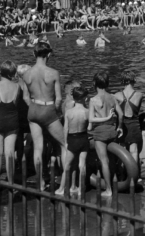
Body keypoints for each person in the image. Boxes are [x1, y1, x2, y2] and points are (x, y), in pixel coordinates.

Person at [22, 42, 65, 187]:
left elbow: (25, 97)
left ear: (34, 54)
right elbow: (58, 99)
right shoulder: (53, 73)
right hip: (48, 110)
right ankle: (66, 182)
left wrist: (34, 107)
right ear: (49, 54)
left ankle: (40, 183)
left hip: (33, 110)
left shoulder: (26, 73)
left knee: (38, 148)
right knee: (65, 144)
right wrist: (56, 112)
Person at [88, 72, 124, 197]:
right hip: (112, 130)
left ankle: (108, 189)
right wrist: (119, 127)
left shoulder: (93, 100)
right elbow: (121, 114)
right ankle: (114, 184)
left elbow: (91, 119)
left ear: (94, 83)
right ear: (107, 83)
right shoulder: (113, 97)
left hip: (100, 132)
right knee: (112, 160)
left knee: (104, 161)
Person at [57, 86, 90, 196]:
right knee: (82, 165)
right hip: (83, 139)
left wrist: (66, 142)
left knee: (67, 166)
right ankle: (81, 189)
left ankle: (61, 188)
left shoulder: (69, 112)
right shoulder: (87, 111)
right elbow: (90, 127)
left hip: (72, 139)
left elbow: (65, 128)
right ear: (84, 98)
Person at [115, 71, 143, 182]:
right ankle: (135, 177)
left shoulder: (116, 95)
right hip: (134, 124)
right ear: (133, 81)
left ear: (123, 81)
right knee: (134, 151)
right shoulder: (139, 95)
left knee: (122, 150)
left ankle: (122, 175)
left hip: (122, 125)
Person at [0, 60, 24, 181]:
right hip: (12, 122)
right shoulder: (17, 86)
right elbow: (16, 104)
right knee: (9, 153)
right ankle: (11, 183)